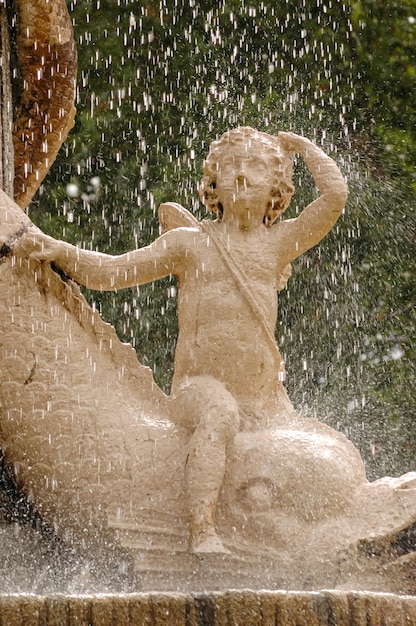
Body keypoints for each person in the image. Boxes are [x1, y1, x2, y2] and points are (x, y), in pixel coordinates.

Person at [18, 128, 347, 553]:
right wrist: (61, 250)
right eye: (231, 167)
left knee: (309, 455)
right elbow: (114, 272)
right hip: (199, 389)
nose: (242, 176)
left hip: (266, 398)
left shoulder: (278, 244)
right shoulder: (190, 245)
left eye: (257, 167)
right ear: (213, 181)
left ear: (278, 191)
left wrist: (303, 148)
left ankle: (305, 548)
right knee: (220, 416)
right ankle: (201, 531)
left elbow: (334, 197)